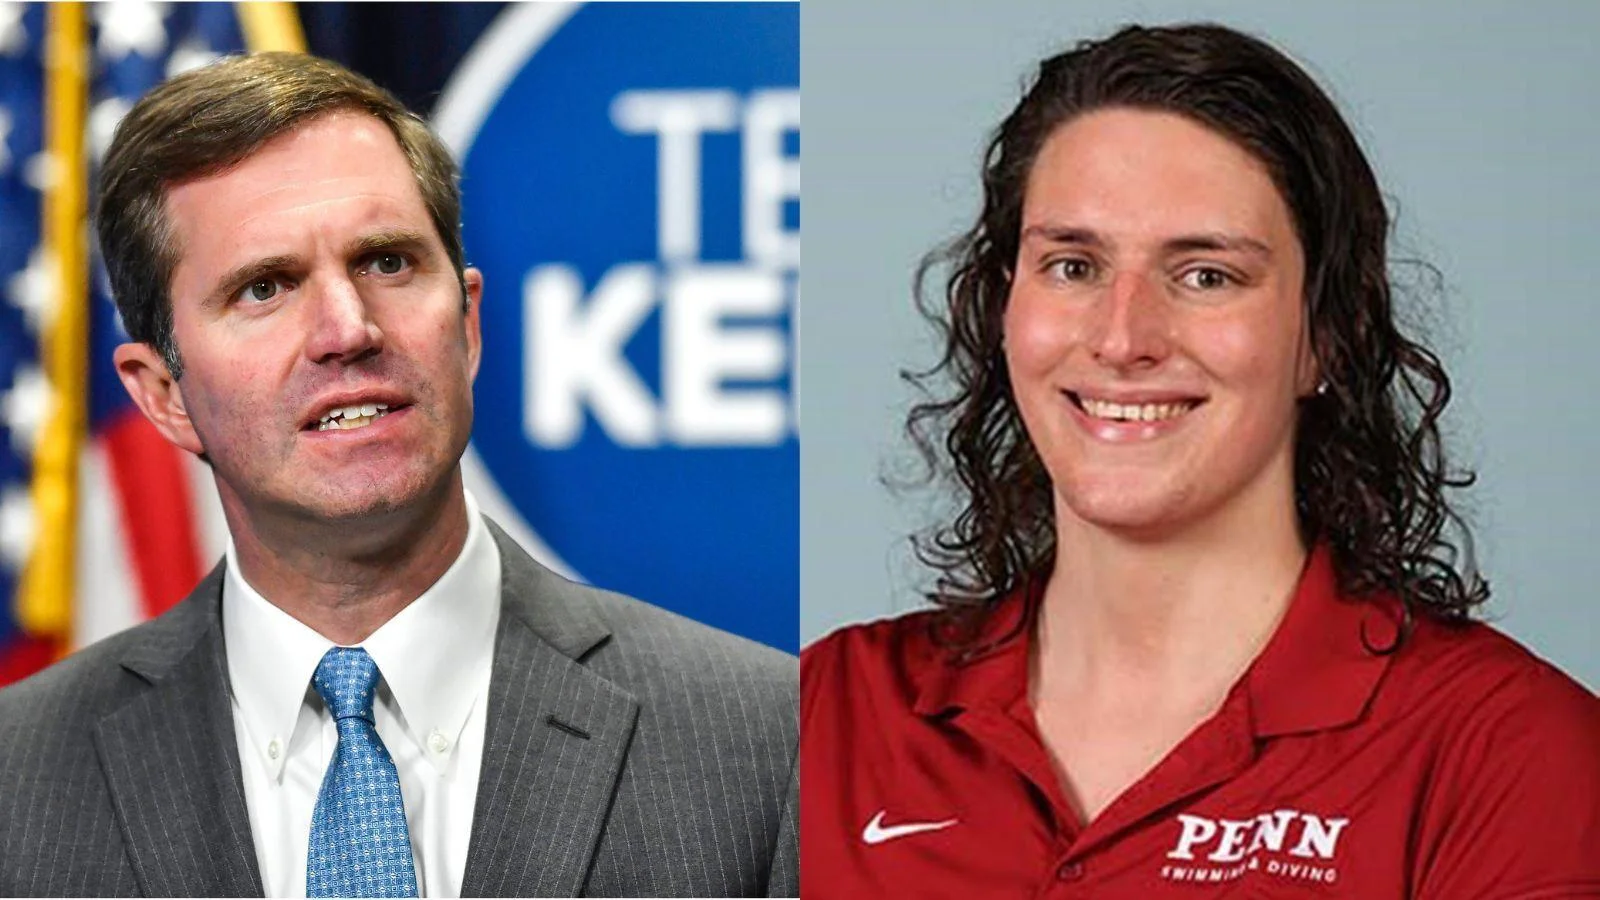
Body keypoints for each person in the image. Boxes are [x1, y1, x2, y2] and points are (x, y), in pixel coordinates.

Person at [801, 23, 1599, 898]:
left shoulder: (1510, 752)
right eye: (1072, 265)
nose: (1121, 337)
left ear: (1325, 337)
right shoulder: (822, 715)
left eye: (1206, 275)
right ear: (1003, 309)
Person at [0, 52, 796, 899]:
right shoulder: (18, 777)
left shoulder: (768, 739)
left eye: (387, 262)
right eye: (264, 287)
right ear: (164, 396)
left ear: (469, 324)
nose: (347, 329)